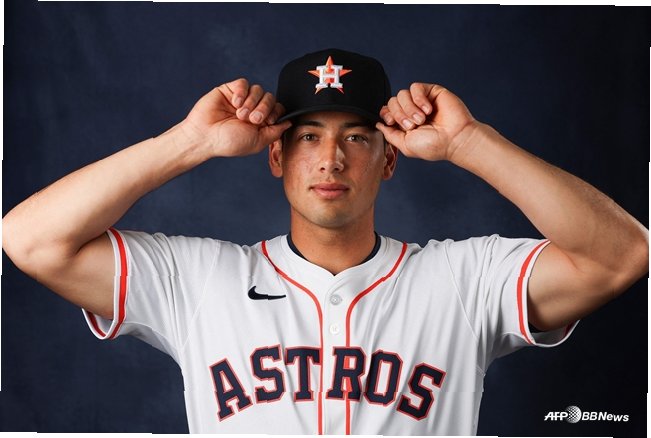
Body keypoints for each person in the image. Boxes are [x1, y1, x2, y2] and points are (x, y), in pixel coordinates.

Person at [2, 48, 647, 435]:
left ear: (389, 159)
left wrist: (468, 142)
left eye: (356, 137)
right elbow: (29, 240)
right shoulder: (197, 281)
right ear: (276, 156)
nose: (331, 159)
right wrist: (190, 142)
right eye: (308, 135)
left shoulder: (462, 280)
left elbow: (622, 256)